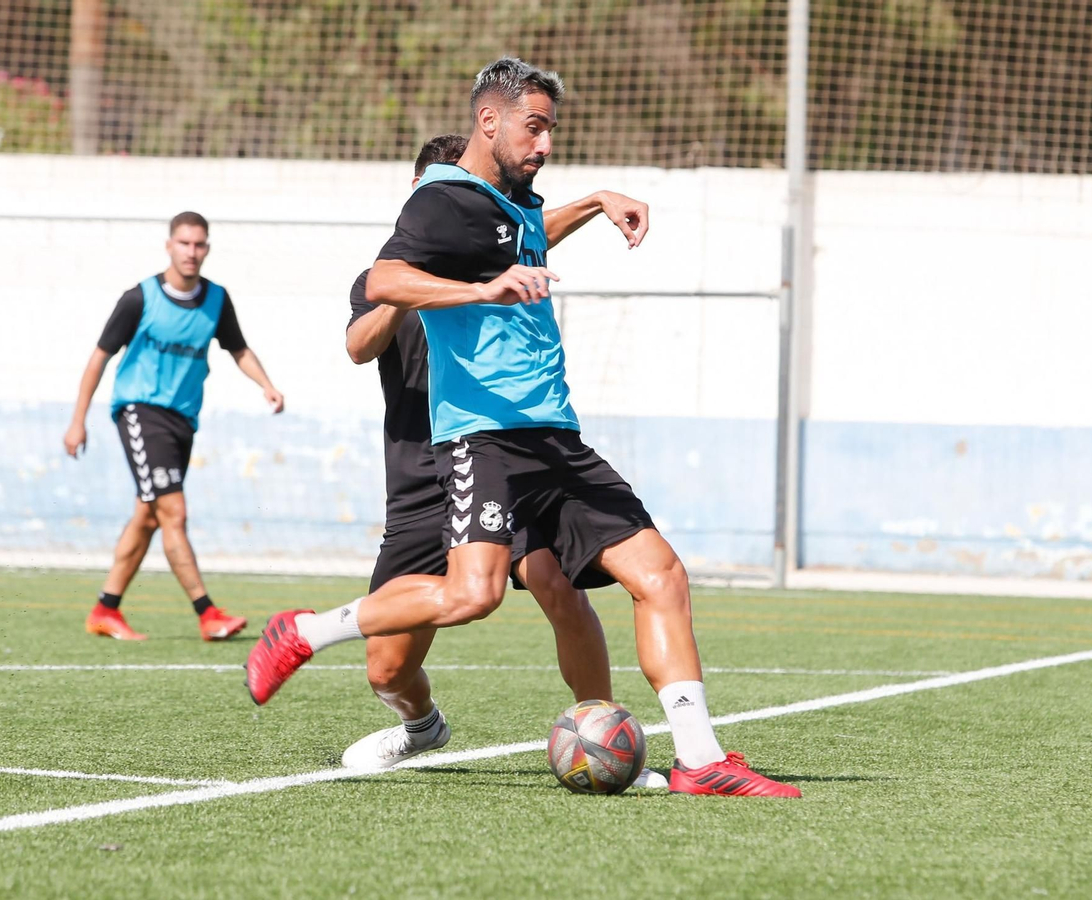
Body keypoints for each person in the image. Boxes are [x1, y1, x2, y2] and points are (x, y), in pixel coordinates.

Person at [248, 59, 799, 798]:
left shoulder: (511, 206)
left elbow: (531, 233)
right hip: (485, 441)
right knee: (471, 597)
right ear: (490, 122)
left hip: (555, 438)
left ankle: (700, 758)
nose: (545, 142)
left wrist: (598, 201)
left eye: (550, 129)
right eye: (534, 127)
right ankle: (306, 633)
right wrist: (478, 289)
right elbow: (380, 285)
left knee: (659, 574)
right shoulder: (442, 199)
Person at [341, 134, 663, 778]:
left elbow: (533, 230)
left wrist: (597, 202)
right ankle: (421, 725)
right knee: (386, 665)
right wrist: (419, 291)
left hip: (497, 461)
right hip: (420, 483)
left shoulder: (502, 262)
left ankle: (603, 732)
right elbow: (358, 346)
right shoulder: (390, 275)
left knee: (560, 588)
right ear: (423, 197)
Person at [64, 211, 284, 642]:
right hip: (140, 412)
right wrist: (78, 422)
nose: (192, 252)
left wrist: (267, 386)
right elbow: (99, 357)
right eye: (184, 243)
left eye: (199, 244)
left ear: (207, 248)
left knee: (147, 517)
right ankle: (207, 613)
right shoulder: (140, 298)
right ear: (169, 245)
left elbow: (238, 349)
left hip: (182, 420)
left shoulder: (217, 299)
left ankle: (105, 609)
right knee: (173, 512)